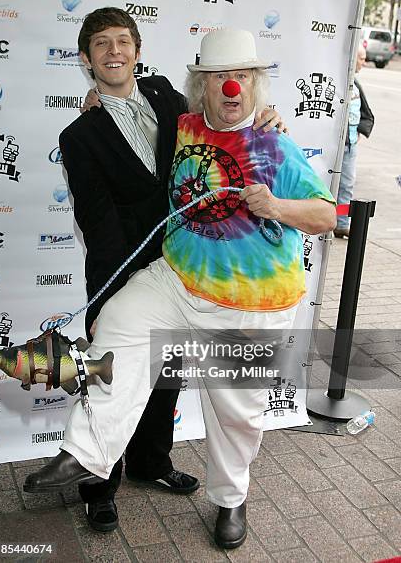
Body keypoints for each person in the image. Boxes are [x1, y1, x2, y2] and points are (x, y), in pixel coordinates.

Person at [24, 27, 336, 550]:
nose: (230, 88)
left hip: (249, 305)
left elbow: (326, 215)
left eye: (241, 76)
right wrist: (101, 99)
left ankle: (231, 499)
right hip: (179, 279)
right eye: (218, 78)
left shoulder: (273, 142)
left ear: (255, 83)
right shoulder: (182, 126)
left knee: (237, 414)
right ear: (202, 86)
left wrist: (278, 208)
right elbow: (131, 119)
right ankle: (85, 451)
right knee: (120, 321)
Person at [334, 44, 374, 237]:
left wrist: (359, 130)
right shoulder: (339, 81)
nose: (363, 63)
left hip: (350, 146)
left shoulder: (356, 84)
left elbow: (364, 112)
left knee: (346, 186)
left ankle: (341, 223)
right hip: (334, 146)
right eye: (361, 58)